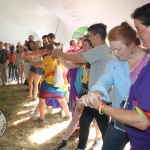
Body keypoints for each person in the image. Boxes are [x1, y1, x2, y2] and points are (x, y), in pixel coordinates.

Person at [78, 8, 150, 150]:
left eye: (118, 49)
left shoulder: (148, 61)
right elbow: (103, 81)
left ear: (131, 44)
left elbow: (142, 120)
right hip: (119, 121)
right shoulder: (114, 64)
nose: (115, 54)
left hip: (143, 128)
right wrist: (95, 94)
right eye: (112, 50)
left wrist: (102, 107)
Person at [52, 23, 112, 150]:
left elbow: (77, 57)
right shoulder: (100, 50)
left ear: (97, 35)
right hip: (92, 96)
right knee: (84, 122)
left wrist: (59, 53)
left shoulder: (101, 49)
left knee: (104, 129)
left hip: (100, 97)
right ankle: (80, 147)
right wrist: (60, 55)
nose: (89, 38)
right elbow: (74, 62)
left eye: (90, 35)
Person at [54, 39, 101, 150]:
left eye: (85, 46)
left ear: (92, 46)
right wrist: (59, 56)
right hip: (84, 89)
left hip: (96, 91)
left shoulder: (97, 59)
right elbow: (67, 65)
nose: (83, 48)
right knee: (76, 116)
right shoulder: (82, 60)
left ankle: (97, 139)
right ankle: (64, 140)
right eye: (83, 45)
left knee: (98, 117)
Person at [28, 43, 71, 122]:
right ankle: (68, 115)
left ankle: (41, 118)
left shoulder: (48, 58)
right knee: (61, 100)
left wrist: (29, 58)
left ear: (51, 51)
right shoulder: (59, 58)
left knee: (42, 100)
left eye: (47, 50)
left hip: (48, 84)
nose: (46, 52)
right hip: (58, 84)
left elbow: (36, 65)